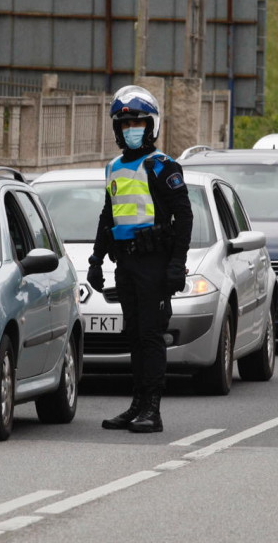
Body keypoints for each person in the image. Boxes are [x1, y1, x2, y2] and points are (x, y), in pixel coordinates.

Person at [87, 85, 193, 434]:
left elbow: (185, 216)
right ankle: (136, 405)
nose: (131, 128)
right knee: (133, 335)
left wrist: (176, 264)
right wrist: (96, 260)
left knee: (150, 335)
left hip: (154, 264)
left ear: (152, 126)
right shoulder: (113, 167)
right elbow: (108, 215)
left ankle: (153, 410)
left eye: (138, 123)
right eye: (125, 123)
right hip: (127, 264)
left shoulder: (162, 166)